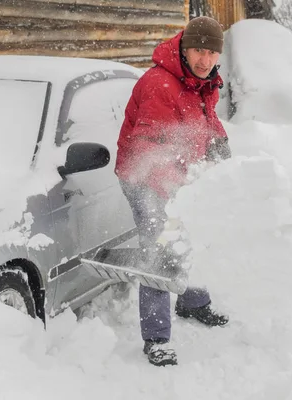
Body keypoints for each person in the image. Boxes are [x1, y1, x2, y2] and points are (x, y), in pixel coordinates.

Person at [115, 16, 232, 367]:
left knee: (192, 234)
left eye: (212, 53)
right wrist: (175, 190)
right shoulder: (160, 85)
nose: (205, 59)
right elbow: (149, 150)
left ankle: (192, 301)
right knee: (159, 248)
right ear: (183, 47)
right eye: (198, 50)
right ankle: (156, 338)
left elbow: (203, 119)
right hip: (146, 178)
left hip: (179, 175)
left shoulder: (200, 80)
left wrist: (219, 144)